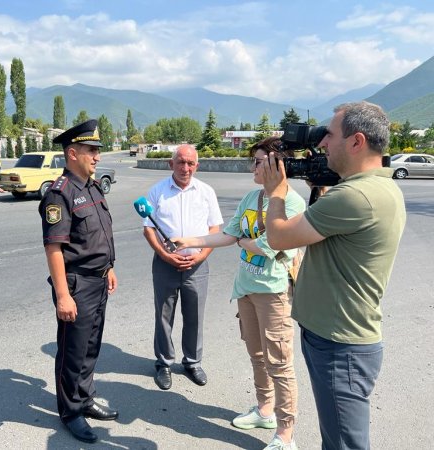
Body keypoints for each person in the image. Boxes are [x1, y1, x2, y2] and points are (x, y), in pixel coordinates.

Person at [261, 101, 406, 450]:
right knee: (338, 439)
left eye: (329, 135)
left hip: (340, 344)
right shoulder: (376, 187)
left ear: (356, 142)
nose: (322, 143)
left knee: (344, 443)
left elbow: (279, 237)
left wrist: (276, 192)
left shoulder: (355, 196)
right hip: (338, 336)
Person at [173, 137, 305, 450]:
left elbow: (269, 245)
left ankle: (286, 434)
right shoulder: (251, 197)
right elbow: (229, 234)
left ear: (277, 165)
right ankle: (264, 410)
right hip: (246, 289)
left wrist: (245, 243)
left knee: (280, 362)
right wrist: (189, 240)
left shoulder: (293, 202)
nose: (253, 167)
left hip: (274, 293)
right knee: (257, 356)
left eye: (259, 161)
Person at [38, 119, 118, 444]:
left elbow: (98, 236)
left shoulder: (92, 187)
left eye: (97, 150)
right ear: (72, 153)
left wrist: (109, 267)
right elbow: (53, 246)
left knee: (91, 347)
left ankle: (85, 398)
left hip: (98, 282)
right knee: (72, 351)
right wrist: (62, 295)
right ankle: (70, 412)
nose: (97, 156)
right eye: (91, 150)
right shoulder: (60, 194)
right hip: (76, 286)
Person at [142, 144, 223, 391]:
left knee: (195, 315)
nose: (185, 168)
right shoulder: (157, 192)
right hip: (165, 264)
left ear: (197, 166)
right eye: (180, 162)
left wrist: (200, 256)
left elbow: (215, 229)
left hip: (197, 265)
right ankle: (164, 362)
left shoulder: (206, 192)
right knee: (164, 315)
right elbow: (148, 228)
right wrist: (165, 256)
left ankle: (192, 362)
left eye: (190, 163)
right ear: (171, 164)